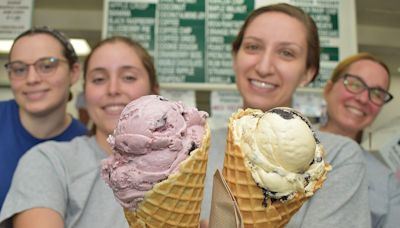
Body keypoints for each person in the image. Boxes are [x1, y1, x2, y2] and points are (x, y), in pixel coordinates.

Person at [201, 3, 371, 227]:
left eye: (286, 53)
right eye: (253, 47)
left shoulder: (339, 156)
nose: (264, 67)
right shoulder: (198, 146)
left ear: (308, 73)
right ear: (235, 57)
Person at [0, 36, 159, 228]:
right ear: (85, 93)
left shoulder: (200, 157)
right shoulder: (49, 160)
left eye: (129, 77)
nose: (113, 89)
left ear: (154, 90)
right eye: (99, 79)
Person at [0, 27, 87, 211]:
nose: (31, 79)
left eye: (47, 66)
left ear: (74, 72)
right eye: (19, 69)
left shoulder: (87, 147)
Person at [320, 52, 400, 228]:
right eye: (355, 84)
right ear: (328, 89)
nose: (363, 99)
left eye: (377, 93)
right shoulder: (282, 142)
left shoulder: (386, 183)